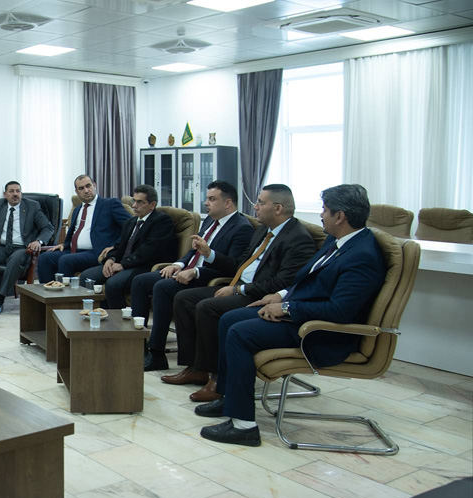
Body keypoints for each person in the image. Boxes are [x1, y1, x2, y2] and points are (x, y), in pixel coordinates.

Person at [196, 184, 387, 447]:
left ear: (340, 216)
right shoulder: (338, 241)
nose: (321, 215)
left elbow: (340, 311)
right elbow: (307, 280)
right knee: (230, 319)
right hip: (302, 316)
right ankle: (230, 398)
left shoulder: (362, 256)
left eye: (325, 210)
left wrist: (287, 308)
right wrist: (280, 295)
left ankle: (244, 426)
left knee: (240, 333)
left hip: (321, 333)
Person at [164, 184, 316, 402]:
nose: (255, 207)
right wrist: (209, 254)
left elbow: (283, 282)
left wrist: (238, 289)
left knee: (208, 308)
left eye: (260, 203)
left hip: (259, 296)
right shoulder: (263, 230)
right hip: (237, 285)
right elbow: (239, 264)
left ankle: (217, 378)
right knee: (184, 298)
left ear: (278, 208)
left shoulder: (298, 238)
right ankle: (196, 368)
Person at [129, 181, 253, 371]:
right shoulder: (210, 220)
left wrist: (197, 270)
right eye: (207, 198)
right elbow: (194, 251)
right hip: (188, 270)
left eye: (212, 199)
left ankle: (157, 352)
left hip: (208, 277)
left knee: (162, 287)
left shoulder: (242, 228)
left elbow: (234, 267)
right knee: (140, 281)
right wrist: (177, 264)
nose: (206, 203)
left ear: (228, 203)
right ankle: (138, 344)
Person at [78, 184, 176, 310]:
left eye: (140, 202)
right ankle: (97, 312)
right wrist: (110, 259)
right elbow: (119, 245)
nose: (134, 205)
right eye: (134, 201)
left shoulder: (162, 221)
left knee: (113, 284)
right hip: (123, 263)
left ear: (152, 205)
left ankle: (119, 320)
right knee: (86, 276)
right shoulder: (131, 222)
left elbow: (149, 250)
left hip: (143, 266)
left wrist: (123, 264)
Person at [0, 181, 53, 316]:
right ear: (5, 194)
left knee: (15, 259)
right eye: (11, 191)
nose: (15, 194)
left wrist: (38, 241)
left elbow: (48, 228)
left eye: (18, 191)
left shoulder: (32, 206)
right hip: (1, 247)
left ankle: (0, 299)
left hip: (22, 248)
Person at [36, 174, 131, 284]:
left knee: (66, 260)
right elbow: (75, 232)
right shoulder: (77, 209)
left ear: (94, 185)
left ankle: (65, 294)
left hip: (96, 252)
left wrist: (115, 246)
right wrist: (64, 244)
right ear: (76, 191)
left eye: (88, 186)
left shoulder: (110, 204)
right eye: (81, 188)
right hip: (73, 250)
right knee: (45, 257)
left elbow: (131, 226)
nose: (86, 191)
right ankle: (47, 292)